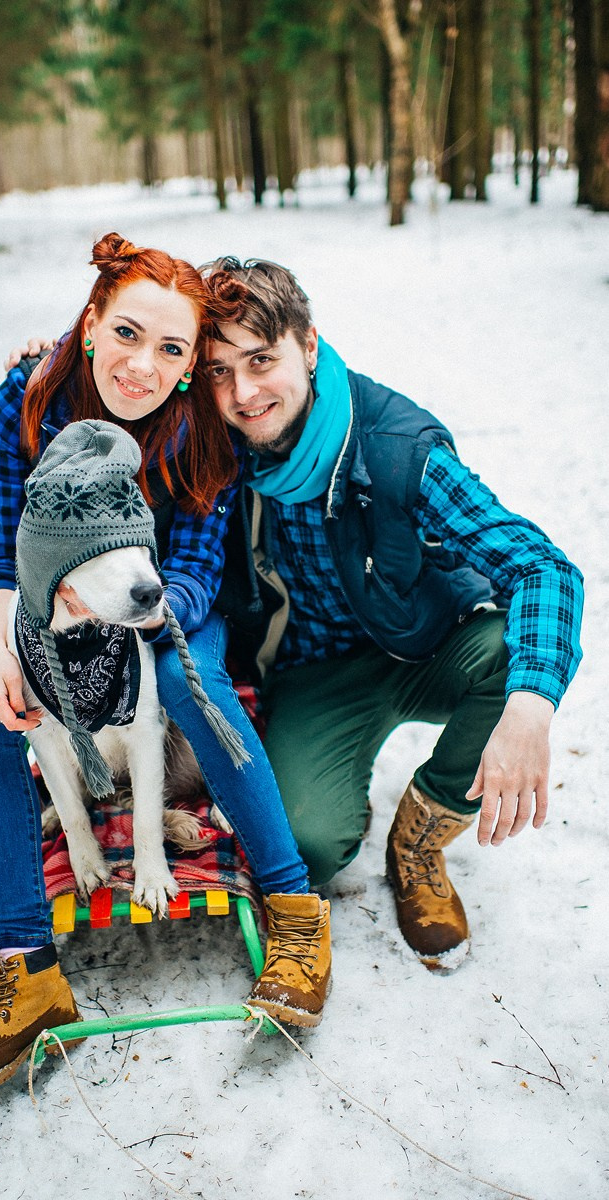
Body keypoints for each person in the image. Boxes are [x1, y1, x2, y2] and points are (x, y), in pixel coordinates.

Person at [0, 236, 332, 1104]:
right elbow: (6, 550)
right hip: (48, 613)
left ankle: (294, 912)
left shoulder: (196, 427)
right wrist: (10, 642)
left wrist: (131, 630)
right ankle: (28, 968)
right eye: (128, 334)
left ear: (190, 368)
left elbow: (192, 567)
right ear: (90, 322)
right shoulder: (24, 402)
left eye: (172, 350)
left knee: (183, 684)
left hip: (163, 616)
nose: (143, 366)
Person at [196, 255, 583, 973]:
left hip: (428, 647)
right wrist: (58, 356)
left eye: (260, 359)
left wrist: (530, 707)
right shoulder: (212, 448)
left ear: (308, 346)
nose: (243, 392)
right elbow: (114, 385)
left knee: (512, 656)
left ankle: (419, 842)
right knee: (306, 846)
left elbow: (542, 568)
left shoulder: (398, 450)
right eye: (218, 370)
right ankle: (339, 788)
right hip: (314, 670)